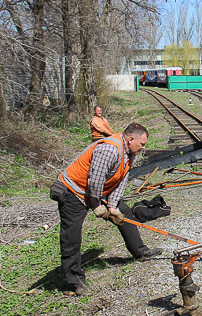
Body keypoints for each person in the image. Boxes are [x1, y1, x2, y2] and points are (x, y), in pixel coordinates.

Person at [52, 123, 163, 296]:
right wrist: (97, 205)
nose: (143, 148)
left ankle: (140, 252)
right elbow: (95, 181)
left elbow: (121, 180)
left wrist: (112, 206)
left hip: (96, 191)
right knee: (71, 236)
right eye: (142, 144)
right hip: (74, 191)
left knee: (124, 213)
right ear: (130, 138)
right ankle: (75, 281)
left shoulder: (129, 152)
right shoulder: (110, 150)